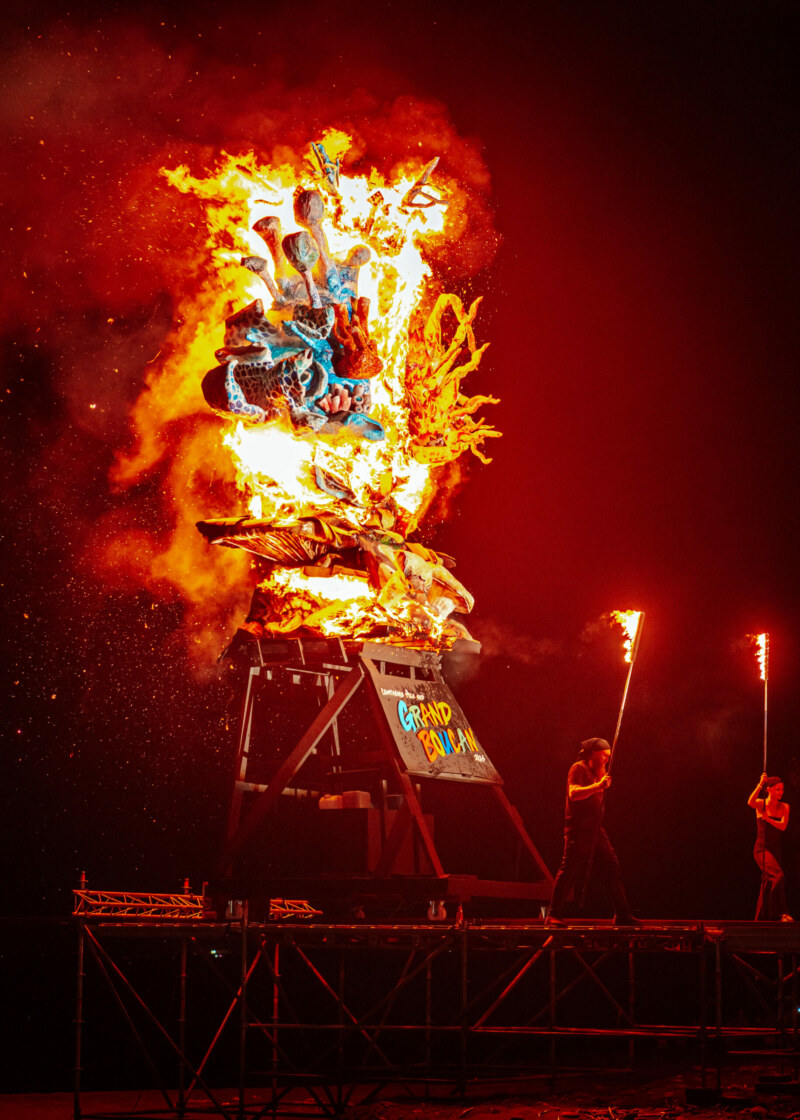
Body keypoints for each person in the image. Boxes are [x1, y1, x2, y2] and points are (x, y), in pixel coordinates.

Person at [547, 737, 636, 926]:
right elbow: (574, 793)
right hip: (578, 828)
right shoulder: (578, 768)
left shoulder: (598, 771)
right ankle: (553, 914)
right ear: (592, 754)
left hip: (595, 829)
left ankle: (622, 913)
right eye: (603, 756)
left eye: (608, 757)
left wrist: (601, 780)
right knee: (569, 870)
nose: (606, 759)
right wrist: (598, 786)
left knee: (610, 866)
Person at [748, 772, 793, 921]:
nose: (781, 792)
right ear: (770, 790)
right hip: (762, 849)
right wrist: (761, 784)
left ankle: (760, 918)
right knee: (779, 877)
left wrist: (768, 819)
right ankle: (779, 913)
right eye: (777, 789)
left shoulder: (785, 807)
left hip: (775, 850)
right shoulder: (761, 803)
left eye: (782, 789)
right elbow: (750, 802)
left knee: (767, 882)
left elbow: (783, 826)